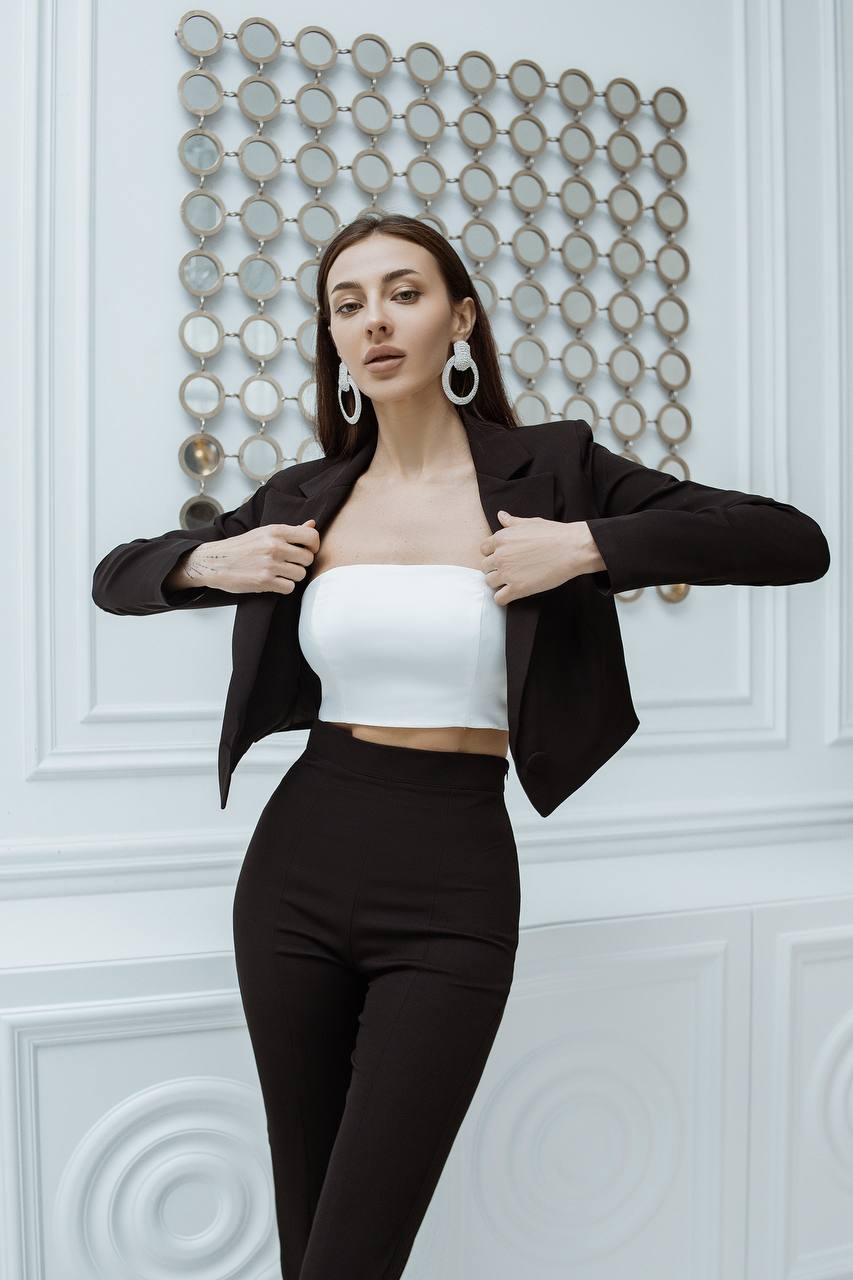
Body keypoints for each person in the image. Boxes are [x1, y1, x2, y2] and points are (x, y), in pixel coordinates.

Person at [91, 211, 830, 1279]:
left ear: (461, 318)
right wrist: (211, 563)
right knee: (309, 1230)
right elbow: (115, 576)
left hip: (453, 879)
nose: (374, 321)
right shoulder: (302, 497)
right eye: (347, 304)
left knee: (355, 1250)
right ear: (332, 340)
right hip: (296, 865)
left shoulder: (554, 472)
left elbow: (790, 540)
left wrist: (584, 546)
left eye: (404, 293)